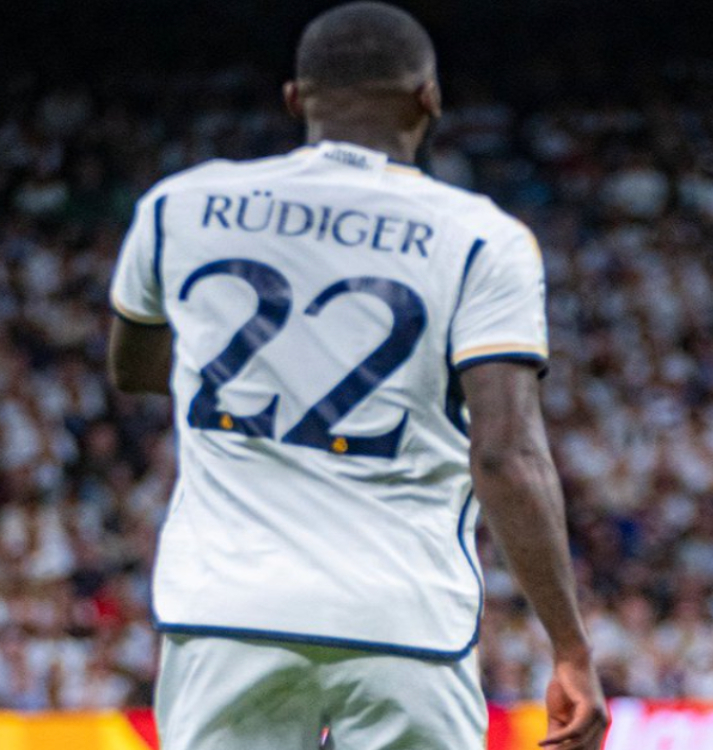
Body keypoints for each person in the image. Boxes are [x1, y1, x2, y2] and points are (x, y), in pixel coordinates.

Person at [106, 3, 608, 748]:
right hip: (404, 619)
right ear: (429, 99)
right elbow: (505, 453)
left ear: (293, 99)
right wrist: (569, 646)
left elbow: (134, 367)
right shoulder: (481, 239)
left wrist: (277, 376)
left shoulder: (179, 205)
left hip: (225, 609)